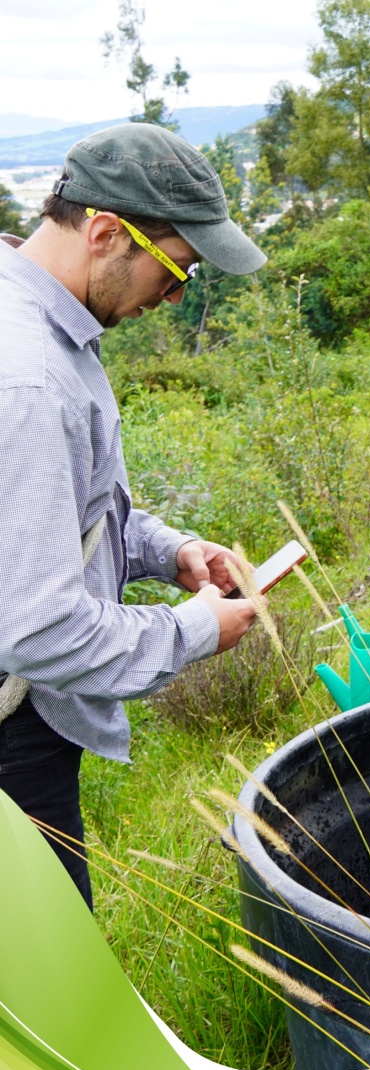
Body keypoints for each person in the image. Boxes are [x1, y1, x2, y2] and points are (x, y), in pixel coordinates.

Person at [0, 123, 267, 908]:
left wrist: (167, 549)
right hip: (13, 736)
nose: (177, 295)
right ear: (106, 232)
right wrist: (192, 632)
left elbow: (69, 510)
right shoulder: (30, 379)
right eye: (175, 269)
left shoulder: (50, 326)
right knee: (51, 982)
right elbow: (41, 628)